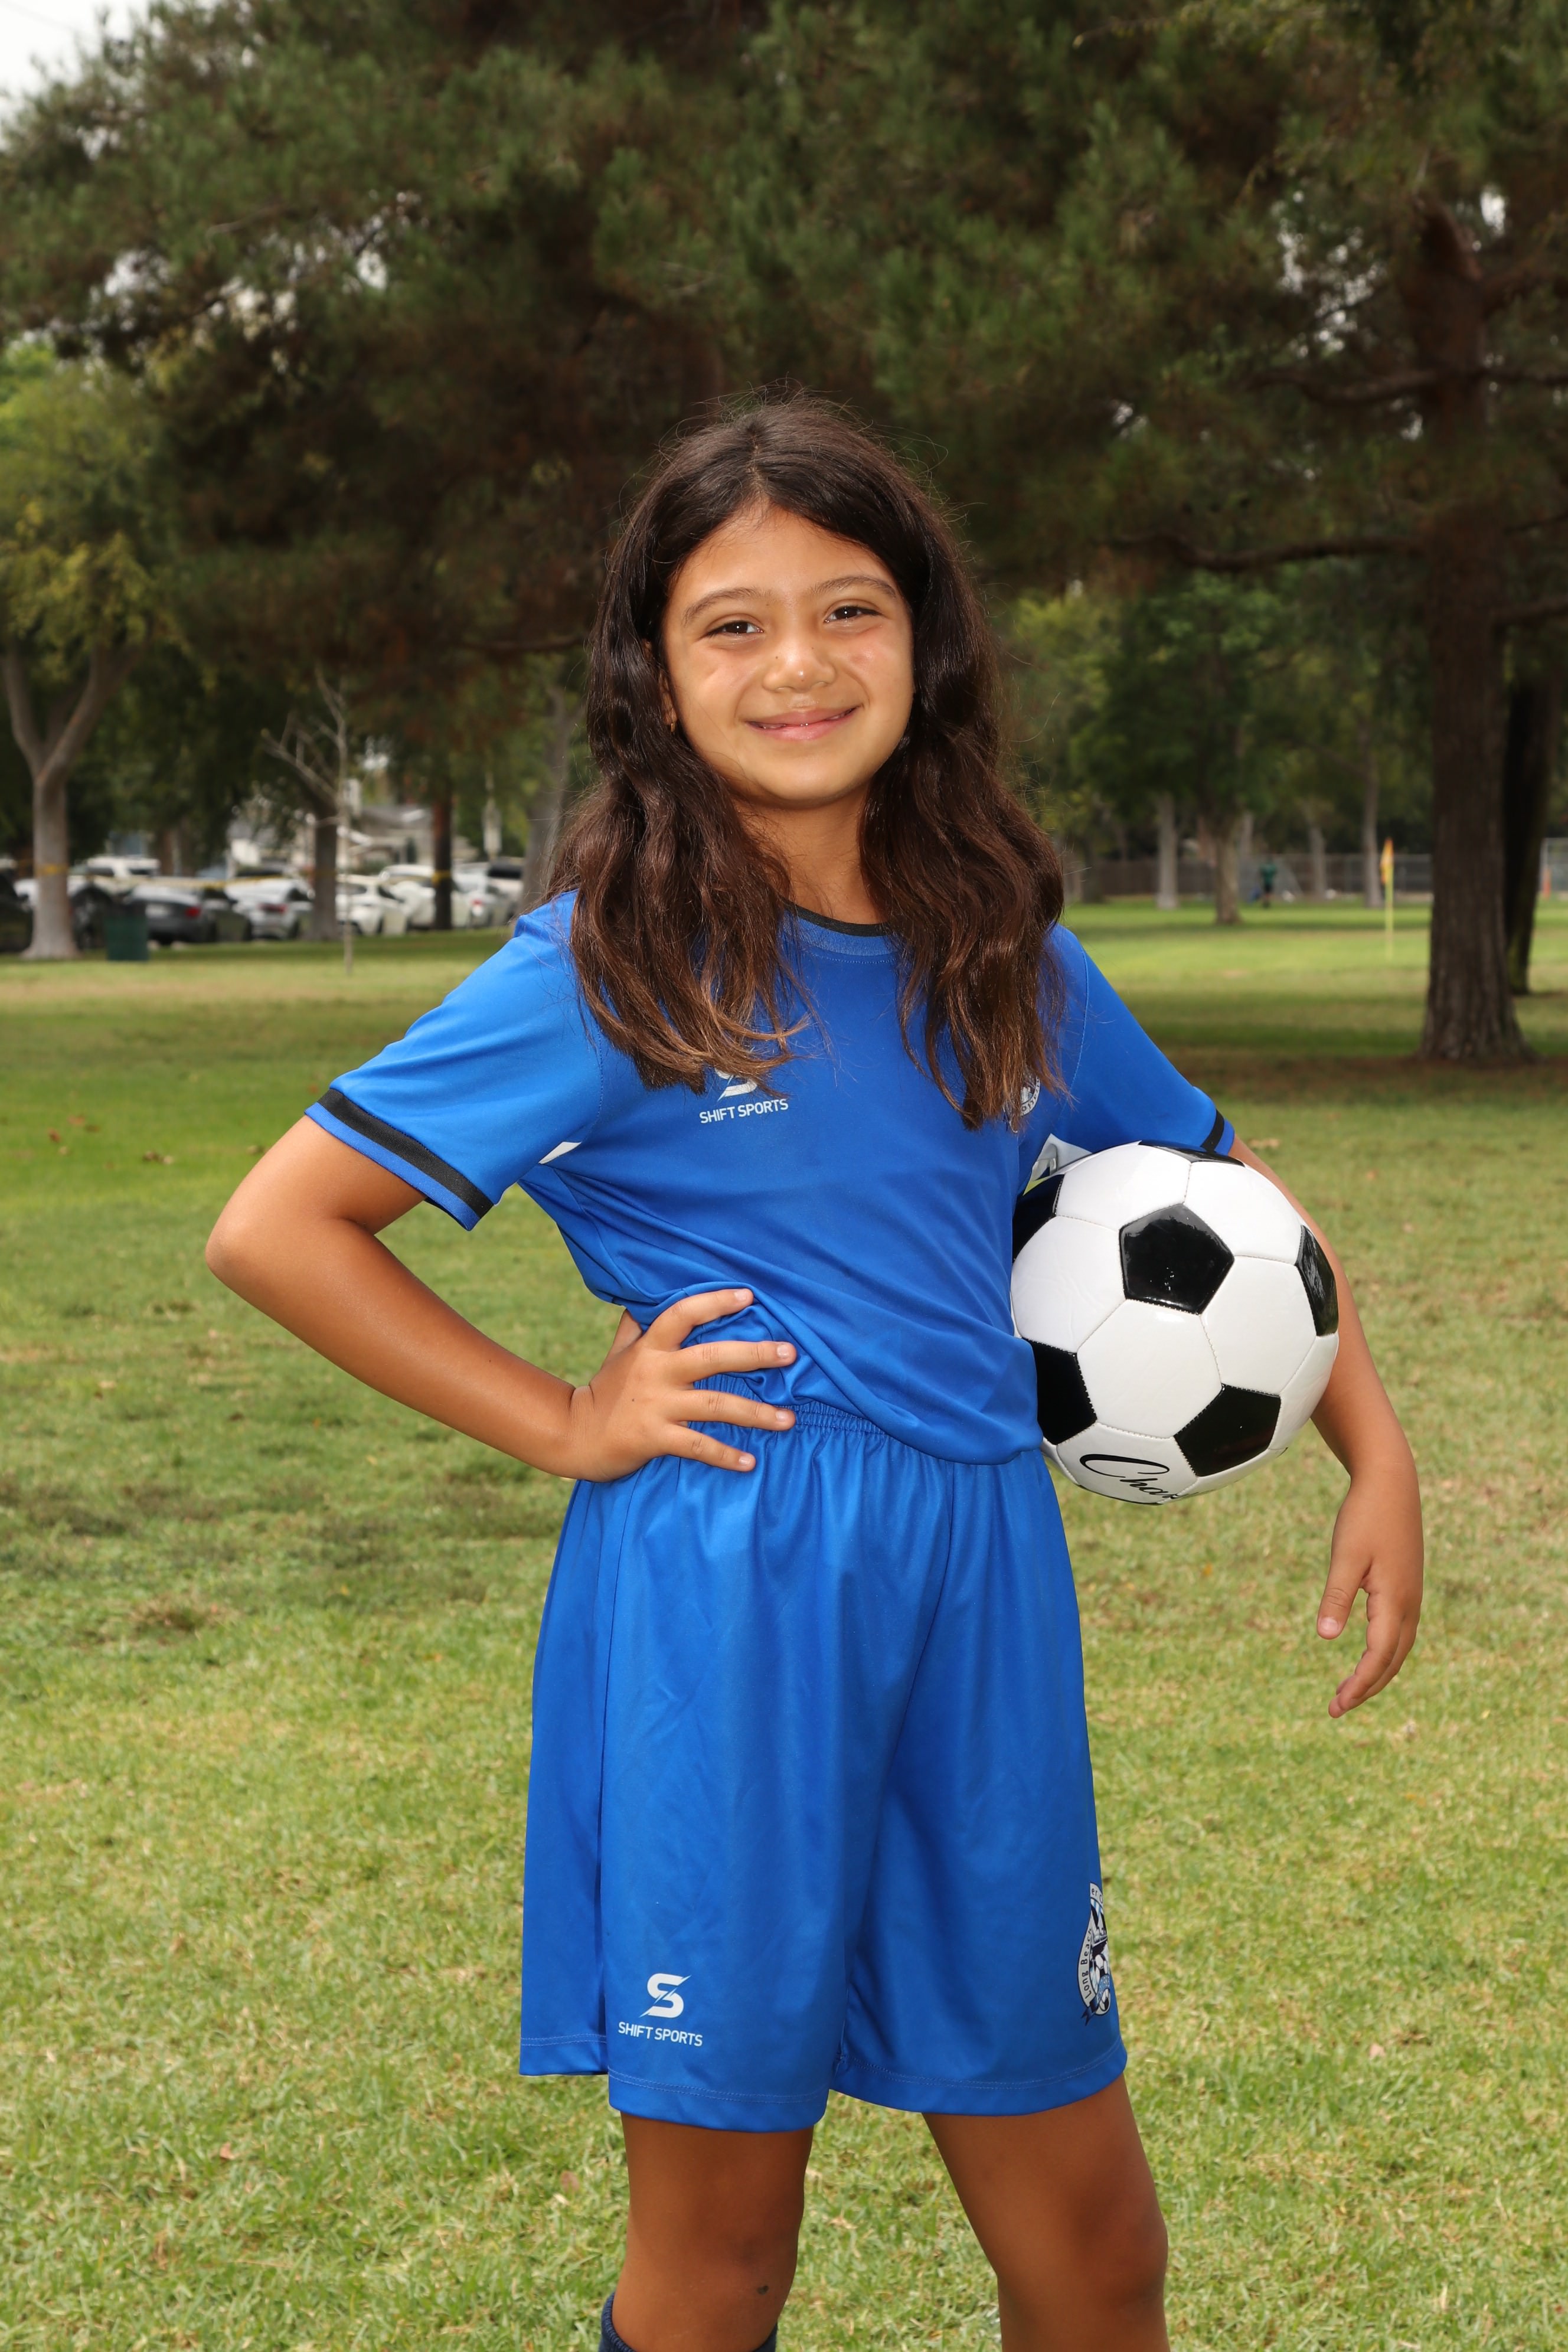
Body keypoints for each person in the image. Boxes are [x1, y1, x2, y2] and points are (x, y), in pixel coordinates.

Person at [205, 400, 1423, 2352]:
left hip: (983, 1583)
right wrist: (568, 1421)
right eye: (734, 624)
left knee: (1098, 2245)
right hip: (734, 1586)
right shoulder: (618, 960)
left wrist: (1375, 1443)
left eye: (849, 608)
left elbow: (1218, 1182)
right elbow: (281, 1226)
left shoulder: (1000, 948)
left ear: (925, 638)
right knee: (724, 2264)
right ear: (654, 671)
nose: (799, 664)